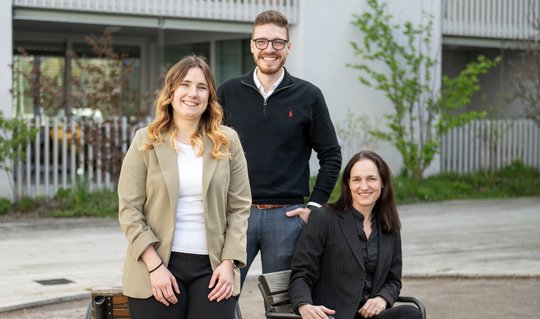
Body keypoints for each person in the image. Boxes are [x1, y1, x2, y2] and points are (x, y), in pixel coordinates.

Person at [117, 55, 251, 319]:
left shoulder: (228, 141)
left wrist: (228, 262)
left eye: (201, 87)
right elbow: (129, 210)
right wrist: (155, 268)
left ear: (210, 96)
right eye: (185, 85)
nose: (193, 93)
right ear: (172, 92)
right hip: (156, 263)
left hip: (213, 268)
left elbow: (239, 207)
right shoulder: (145, 141)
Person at [217, 9, 342, 286]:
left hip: (287, 218)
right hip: (236, 216)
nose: (269, 49)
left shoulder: (308, 95)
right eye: (261, 41)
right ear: (252, 46)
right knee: (221, 299)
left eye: (277, 42)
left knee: (283, 306)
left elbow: (331, 155)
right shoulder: (227, 92)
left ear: (288, 46)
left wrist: (315, 206)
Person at [289, 151, 423, 319]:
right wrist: (304, 306)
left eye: (371, 179)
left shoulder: (389, 226)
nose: (364, 186)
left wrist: (383, 298)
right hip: (332, 316)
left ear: (382, 183)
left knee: (411, 314)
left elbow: (393, 280)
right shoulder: (324, 217)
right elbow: (302, 273)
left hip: (369, 316)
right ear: (348, 184)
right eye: (357, 179)